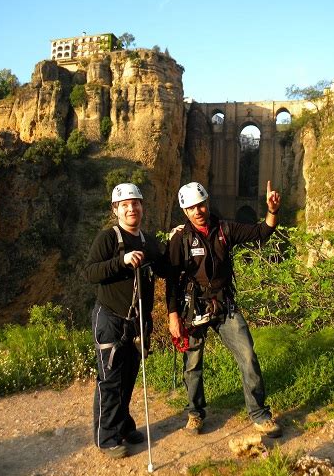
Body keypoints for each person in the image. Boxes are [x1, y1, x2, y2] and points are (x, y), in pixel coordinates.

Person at [166, 180, 282, 437]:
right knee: (192, 363)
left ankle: (259, 414)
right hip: (192, 308)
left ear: (208, 203)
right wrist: (173, 316)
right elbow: (171, 281)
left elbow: (261, 232)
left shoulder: (224, 230)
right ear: (185, 211)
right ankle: (195, 414)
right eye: (192, 207)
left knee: (248, 355)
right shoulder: (179, 239)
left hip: (224, 305)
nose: (198, 210)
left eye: (201, 204)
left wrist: (272, 211)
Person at [85, 183, 166, 458]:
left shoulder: (148, 241)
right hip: (109, 318)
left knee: (129, 376)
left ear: (142, 206)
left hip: (136, 321)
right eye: (125, 204)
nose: (132, 208)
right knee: (110, 380)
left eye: (136, 203)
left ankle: (122, 425)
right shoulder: (109, 238)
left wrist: (180, 237)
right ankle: (106, 437)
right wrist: (122, 261)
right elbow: (91, 273)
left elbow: (165, 266)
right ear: (116, 209)